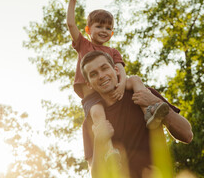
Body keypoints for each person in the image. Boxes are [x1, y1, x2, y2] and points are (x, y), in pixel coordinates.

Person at [67, 0, 170, 160]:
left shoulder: (112, 52)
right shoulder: (84, 44)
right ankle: (109, 151)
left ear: (112, 33)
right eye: (99, 26)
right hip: (93, 96)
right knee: (98, 114)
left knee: (135, 79)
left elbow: (120, 70)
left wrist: (122, 85)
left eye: (108, 28)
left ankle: (149, 112)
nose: (104, 31)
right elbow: (71, 24)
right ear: (88, 30)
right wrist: (72, 0)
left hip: (113, 86)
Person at [80, 50, 193, 178]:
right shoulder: (91, 121)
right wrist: (98, 142)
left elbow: (187, 135)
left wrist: (155, 101)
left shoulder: (144, 95)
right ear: (89, 84)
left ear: (116, 70)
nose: (101, 75)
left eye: (104, 68)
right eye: (94, 74)